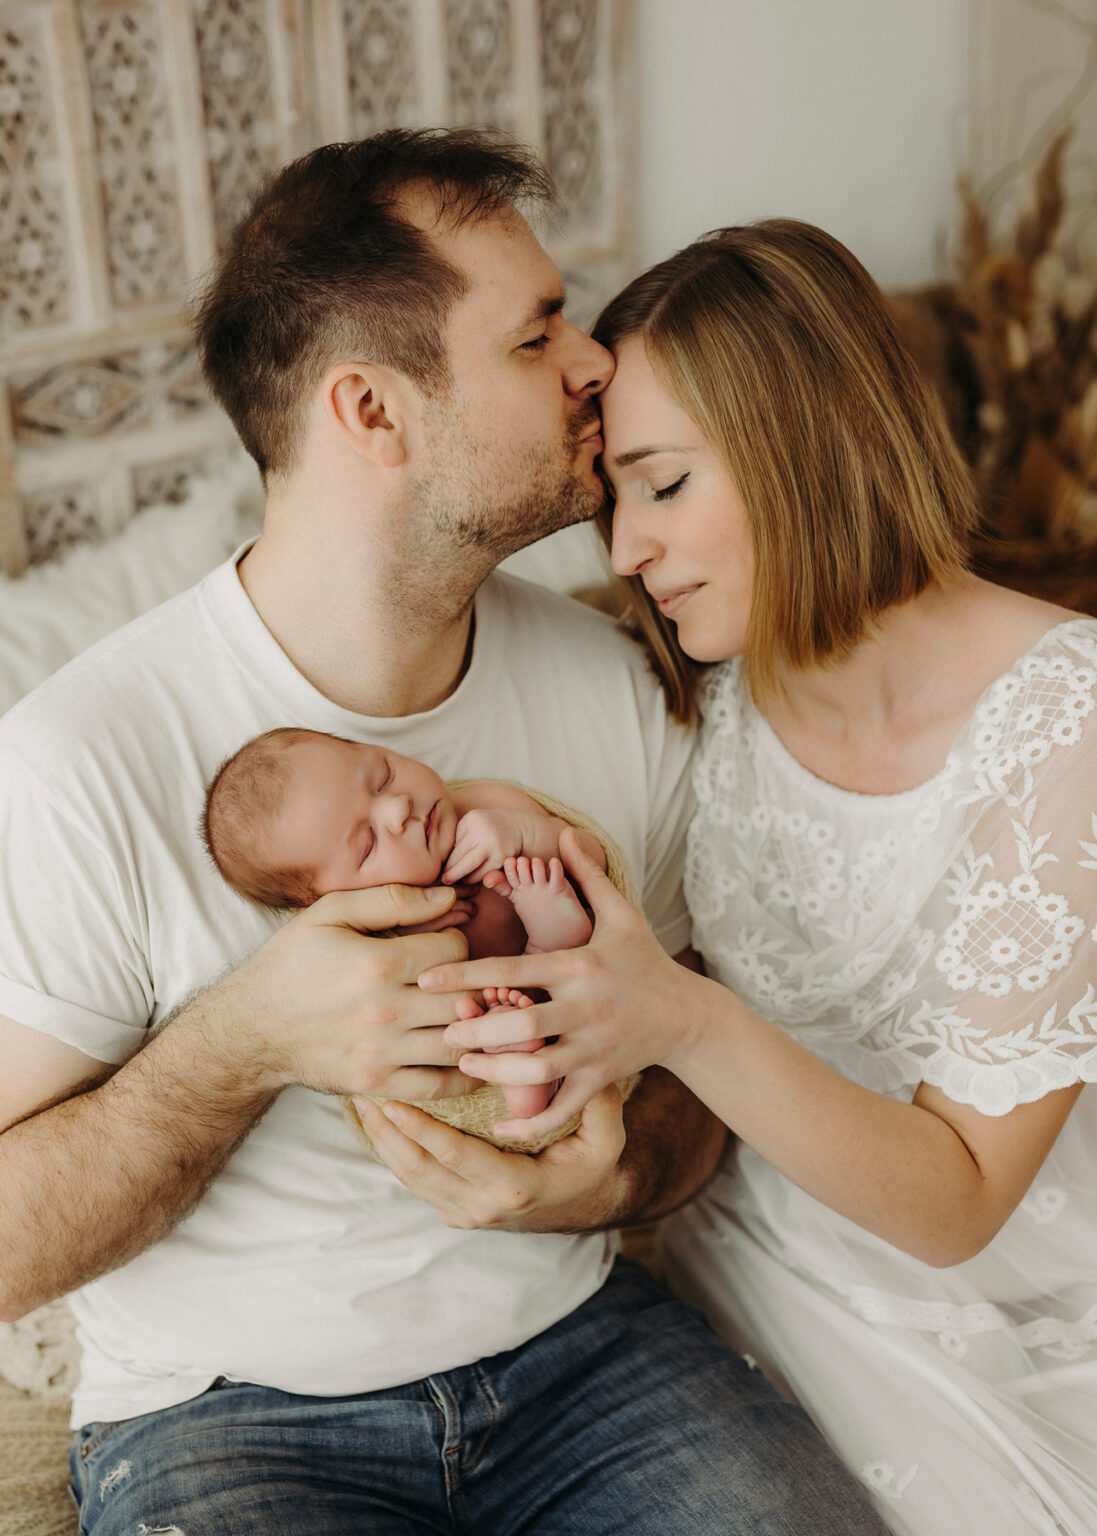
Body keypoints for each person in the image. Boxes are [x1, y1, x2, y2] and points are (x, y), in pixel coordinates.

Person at [0, 135, 887, 1535]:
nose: (594, 363)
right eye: (536, 335)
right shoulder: (83, 757)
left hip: (584, 1361)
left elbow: (696, 1066)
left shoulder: (613, 686)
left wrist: (614, 1175)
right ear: (371, 409)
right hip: (227, 1420)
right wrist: (244, 1043)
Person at [423, 219, 1097, 1534]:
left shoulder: (1061, 722)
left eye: (663, 486)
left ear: (811, 446)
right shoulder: (706, 681)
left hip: (986, 1285)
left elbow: (959, 1201)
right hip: (740, 1258)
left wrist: (679, 1017)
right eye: (613, 499)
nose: (624, 549)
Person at [203, 723, 617, 1124]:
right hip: (500, 1019)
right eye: (368, 843)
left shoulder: (485, 806)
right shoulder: (362, 942)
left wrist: (526, 833)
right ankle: (522, 1071)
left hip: (583, 982)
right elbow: (381, 1029)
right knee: (476, 1026)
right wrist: (405, 941)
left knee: (561, 909)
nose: (397, 807)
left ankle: (555, 934)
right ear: (330, 901)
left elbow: (595, 860)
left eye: (382, 777)